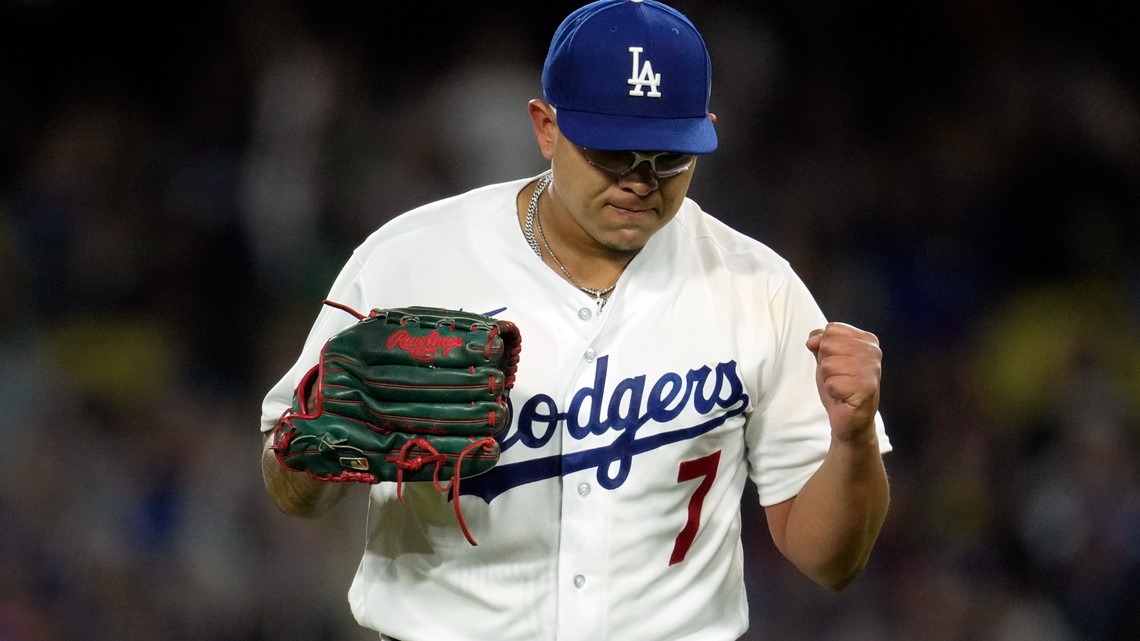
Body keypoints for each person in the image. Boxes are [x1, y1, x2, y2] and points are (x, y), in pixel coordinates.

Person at [259, 1, 892, 639]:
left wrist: (854, 439)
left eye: (668, 157)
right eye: (613, 153)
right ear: (546, 127)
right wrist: (327, 428)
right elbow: (290, 492)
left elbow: (829, 562)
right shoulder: (411, 261)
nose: (641, 182)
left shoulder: (759, 287)